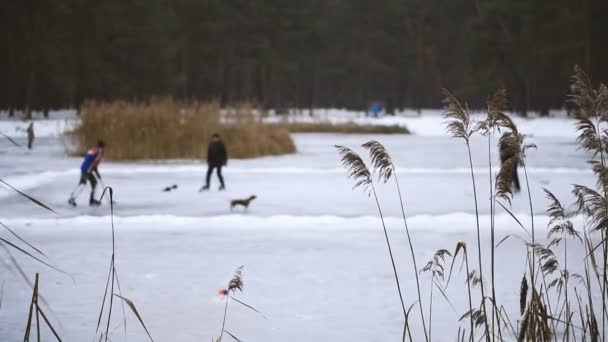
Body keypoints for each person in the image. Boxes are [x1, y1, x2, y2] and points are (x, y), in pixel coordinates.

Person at [68, 140, 105, 206]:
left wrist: (96, 172)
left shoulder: (93, 150)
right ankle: (72, 199)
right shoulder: (100, 151)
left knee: (94, 182)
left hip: (86, 168)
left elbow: (91, 160)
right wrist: (95, 172)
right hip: (87, 169)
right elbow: (94, 162)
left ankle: (92, 200)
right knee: (83, 183)